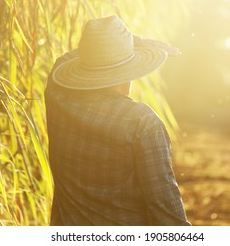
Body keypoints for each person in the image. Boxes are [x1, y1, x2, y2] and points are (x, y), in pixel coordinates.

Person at [45, 15, 191, 226]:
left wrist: (129, 43)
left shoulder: (58, 94)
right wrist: (135, 42)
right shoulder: (143, 123)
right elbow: (166, 212)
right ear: (130, 72)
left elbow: (70, 58)